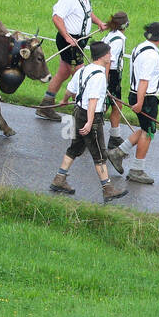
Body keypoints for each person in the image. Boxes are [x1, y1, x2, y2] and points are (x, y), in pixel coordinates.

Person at [49, 41, 128, 200]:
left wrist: (64, 100)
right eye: (109, 54)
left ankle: (59, 179)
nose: (111, 57)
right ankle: (108, 189)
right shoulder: (99, 75)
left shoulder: (84, 70)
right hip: (91, 116)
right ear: (104, 56)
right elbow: (93, 100)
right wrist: (90, 122)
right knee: (99, 154)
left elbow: (70, 89)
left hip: (78, 112)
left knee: (75, 148)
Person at [37, 0, 108, 120]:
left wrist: (99, 23)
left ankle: (46, 104)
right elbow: (57, 17)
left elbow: (87, 13)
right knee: (80, 74)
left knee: (63, 72)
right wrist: (68, 37)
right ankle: (82, 111)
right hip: (70, 42)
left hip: (79, 41)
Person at [109, 21, 159, 184]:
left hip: (137, 94)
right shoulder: (151, 55)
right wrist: (141, 102)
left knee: (144, 129)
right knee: (149, 132)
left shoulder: (139, 48)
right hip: (146, 98)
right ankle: (137, 169)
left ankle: (118, 152)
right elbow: (144, 80)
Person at [102, 11, 130, 148]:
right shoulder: (118, 40)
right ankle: (88, 134)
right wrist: (105, 81)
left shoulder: (110, 35)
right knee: (106, 106)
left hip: (109, 74)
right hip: (111, 75)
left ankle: (115, 136)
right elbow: (109, 61)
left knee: (117, 105)